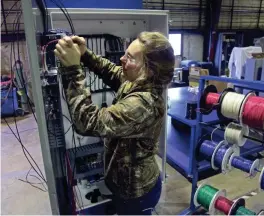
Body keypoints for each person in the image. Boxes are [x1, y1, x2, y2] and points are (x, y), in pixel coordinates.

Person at [54, 31, 175, 215]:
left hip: (136, 194)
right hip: (124, 186)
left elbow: (87, 121)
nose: (121, 59)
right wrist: (85, 54)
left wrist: (73, 70)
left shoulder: (144, 104)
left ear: (149, 70)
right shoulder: (137, 81)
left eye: (130, 57)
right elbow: (111, 72)